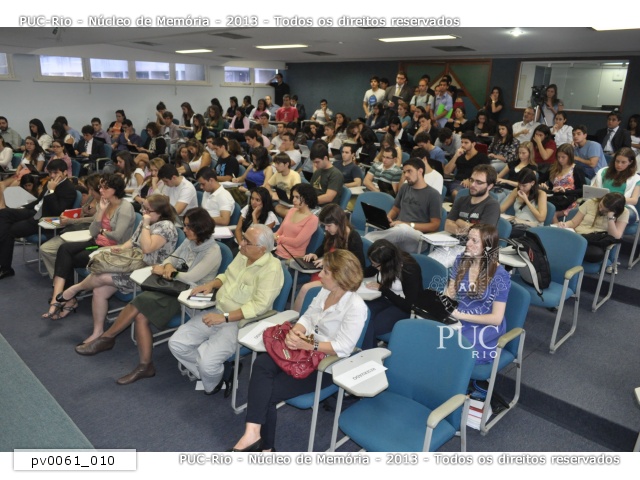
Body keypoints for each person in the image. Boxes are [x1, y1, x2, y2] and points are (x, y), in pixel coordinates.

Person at [230, 249, 366, 452]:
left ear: (340, 278)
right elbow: (308, 317)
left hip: (325, 364)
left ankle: (264, 447)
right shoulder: (325, 291)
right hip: (302, 350)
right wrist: (297, 331)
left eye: (325, 272)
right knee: (261, 364)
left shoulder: (356, 307)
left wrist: (310, 345)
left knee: (267, 391)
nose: (320, 275)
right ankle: (253, 435)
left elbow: (344, 347)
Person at [75, 208, 221, 385]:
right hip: (172, 288)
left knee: (139, 303)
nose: (185, 229)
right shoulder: (190, 242)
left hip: (188, 295)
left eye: (189, 226)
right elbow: (170, 259)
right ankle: (145, 366)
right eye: (185, 225)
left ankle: (107, 338)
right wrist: (168, 267)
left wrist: (169, 272)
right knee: (140, 316)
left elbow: (192, 277)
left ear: (200, 228)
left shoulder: (213, 251)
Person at [170, 224, 284, 395]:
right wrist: (211, 284)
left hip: (241, 323)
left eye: (247, 241)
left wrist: (225, 317)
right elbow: (227, 276)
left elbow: (259, 306)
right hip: (218, 311)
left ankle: (212, 382)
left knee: (207, 362)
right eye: (243, 238)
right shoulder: (243, 254)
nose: (241, 243)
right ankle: (221, 373)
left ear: (262, 249)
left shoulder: (272, 269)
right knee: (177, 343)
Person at [57, 195, 178, 342]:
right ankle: (97, 331)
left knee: (101, 277)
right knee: (99, 290)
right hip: (132, 263)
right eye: (143, 208)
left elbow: (147, 248)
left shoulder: (166, 227)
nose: (143, 211)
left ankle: (74, 289)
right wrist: (120, 249)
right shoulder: (148, 220)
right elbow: (132, 241)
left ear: (160, 212)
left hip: (148, 273)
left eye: (147, 209)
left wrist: (146, 224)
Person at [44, 174, 135, 315]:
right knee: (64, 249)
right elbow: (93, 231)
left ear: (115, 190)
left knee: (71, 258)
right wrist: (101, 212)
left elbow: (117, 236)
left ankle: (64, 299)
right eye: (100, 187)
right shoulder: (104, 203)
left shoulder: (125, 208)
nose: (101, 190)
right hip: (95, 243)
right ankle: (60, 296)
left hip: (111, 249)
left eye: (105, 187)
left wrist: (102, 231)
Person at [0, 159, 77, 279]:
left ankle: (6, 268)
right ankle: (5, 266)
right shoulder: (50, 182)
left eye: (55, 173)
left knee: (9, 230)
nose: (52, 176)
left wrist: (52, 191)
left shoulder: (69, 189)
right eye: (50, 172)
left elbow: (57, 211)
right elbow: (38, 201)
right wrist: (23, 207)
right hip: (33, 211)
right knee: (3, 213)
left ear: (65, 172)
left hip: (45, 220)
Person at [445, 224, 511, 364]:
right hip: (460, 316)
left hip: (485, 325)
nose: (468, 244)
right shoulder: (461, 260)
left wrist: (460, 315)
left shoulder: (500, 276)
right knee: (431, 335)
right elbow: (450, 294)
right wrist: (442, 306)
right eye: (468, 238)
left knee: (455, 348)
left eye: (474, 241)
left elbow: (496, 319)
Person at [293, 204, 365, 312]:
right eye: (324, 225)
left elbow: (359, 266)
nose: (326, 229)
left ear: (339, 222)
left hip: (337, 278)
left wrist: (329, 262)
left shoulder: (353, 237)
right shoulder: (333, 232)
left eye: (329, 225)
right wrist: (315, 254)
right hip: (325, 272)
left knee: (305, 289)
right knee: (307, 292)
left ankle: (296, 317)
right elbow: (323, 246)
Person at [365, 158, 442, 253]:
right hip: (398, 232)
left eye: (409, 171)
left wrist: (407, 225)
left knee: (403, 230)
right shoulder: (404, 188)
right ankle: (369, 243)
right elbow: (395, 209)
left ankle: (366, 240)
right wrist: (387, 218)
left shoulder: (433, 194)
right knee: (394, 232)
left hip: (419, 239)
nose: (406, 175)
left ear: (420, 171)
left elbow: (435, 225)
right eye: (404, 172)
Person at [361, 239, 422, 349]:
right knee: (360, 313)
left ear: (387, 263)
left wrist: (383, 289)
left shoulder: (409, 269)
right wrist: (353, 275)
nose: (374, 266)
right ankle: (365, 351)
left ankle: (368, 355)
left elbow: (409, 305)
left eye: (376, 265)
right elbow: (370, 270)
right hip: (386, 298)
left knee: (372, 326)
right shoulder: (384, 261)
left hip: (403, 306)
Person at [557, 193, 629, 262]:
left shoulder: (624, 213)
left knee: (596, 254)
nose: (600, 209)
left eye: (605, 210)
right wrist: (565, 224)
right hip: (579, 235)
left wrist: (610, 218)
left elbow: (616, 237)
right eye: (600, 205)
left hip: (595, 242)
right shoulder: (591, 202)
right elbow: (573, 222)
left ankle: (567, 251)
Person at [446, 164, 501, 235]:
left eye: (479, 182)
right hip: (457, 240)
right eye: (471, 180)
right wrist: (468, 230)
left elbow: (482, 233)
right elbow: (447, 226)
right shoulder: (461, 200)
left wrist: (460, 222)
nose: (472, 185)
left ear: (489, 186)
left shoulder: (492, 205)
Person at [591, 147, 640, 223]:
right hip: (601, 203)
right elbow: (593, 190)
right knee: (586, 207)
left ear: (630, 162)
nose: (619, 165)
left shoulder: (636, 178)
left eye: (623, 162)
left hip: (622, 206)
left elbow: (634, 200)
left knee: (629, 215)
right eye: (617, 161)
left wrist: (613, 201)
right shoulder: (603, 171)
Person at [274, 183, 319, 259]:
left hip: (291, 258)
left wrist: (279, 238)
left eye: (297, 197)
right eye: (293, 196)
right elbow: (279, 232)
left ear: (307, 198)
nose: (293, 200)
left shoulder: (313, 219)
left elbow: (297, 243)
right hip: (277, 251)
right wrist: (275, 236)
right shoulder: (291, 210)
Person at [541, 144, 586, 219]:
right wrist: (542, 185)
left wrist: (565, 191)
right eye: (558, 157)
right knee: (542, 205)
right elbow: (539, 181)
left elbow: (582, 190)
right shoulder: (553, 168)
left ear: (570, 157)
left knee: (550, 213)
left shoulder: (576, 169)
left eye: (563, 157)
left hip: (569, 199)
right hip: (554, 196)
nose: (560, 160)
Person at [500, 169, 548, 236]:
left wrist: (526, 201)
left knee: (505, 232)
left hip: (532, 228)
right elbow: (502, 209)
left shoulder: (541, 194)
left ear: (532, 183)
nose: (521, 188)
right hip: (517, 224)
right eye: (519, 185)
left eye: (524, 186)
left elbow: (541, 218)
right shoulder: (516, 191)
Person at [444, 132, 490, 198]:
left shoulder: (482, 157)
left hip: (471, 183)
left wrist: (470, 180)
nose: (463, 145)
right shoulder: (460, 155)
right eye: (462, 142)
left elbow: (485, 173)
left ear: (473, 144)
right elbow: (446, 172)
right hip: (456, 181)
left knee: (456, 193)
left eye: (466, 143)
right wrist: (455, 156)